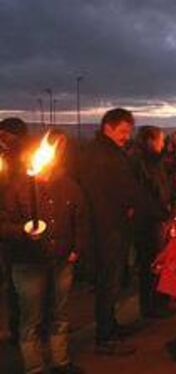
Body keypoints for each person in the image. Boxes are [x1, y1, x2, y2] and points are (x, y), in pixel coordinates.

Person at [4, 135, 88, 374]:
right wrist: (22, 230)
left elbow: (81, 220)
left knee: (59, 314)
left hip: (62, 260)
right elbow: (2, 223)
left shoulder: (69, 185)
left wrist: (76, 249)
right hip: (28, 262)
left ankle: (60, 362)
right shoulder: (16, 188)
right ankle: (35, 366)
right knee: (32, 318)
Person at [79, 108, 143, 355]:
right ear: (108, 127)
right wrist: (152, 210)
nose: (127, 136)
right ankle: (105, 337)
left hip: (110, 225)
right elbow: (124, 189)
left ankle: (111, 326)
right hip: (107, 228)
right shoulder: (103, 154)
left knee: (112, 282)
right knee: (109, 283)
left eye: (129, 132)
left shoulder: (105, 151)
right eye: (123, 131)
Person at [131, 126, 173, 319]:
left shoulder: (155, 161)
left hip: (156, 217)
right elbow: (145, 194)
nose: (163, 144)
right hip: (149, 220)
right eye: (160, 140)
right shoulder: (140, 162)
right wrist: (162, 213)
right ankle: (152, 306)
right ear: (150, 141)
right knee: (152, 262)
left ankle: (156, 303)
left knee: (156, 261)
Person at [0, 117, 29, 346]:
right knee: (15, 280)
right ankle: (19, 327)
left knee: (17, 280)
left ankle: (21, 327)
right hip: (11, 224)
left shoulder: (18, 159)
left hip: (19, 223)